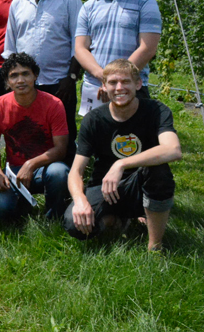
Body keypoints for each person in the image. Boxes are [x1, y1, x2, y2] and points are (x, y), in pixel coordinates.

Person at [64, 59, 181, 251]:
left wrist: (121, 164)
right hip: (105, 188)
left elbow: (173, 149)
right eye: (112, 82)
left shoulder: (156, 110)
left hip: (142, 185)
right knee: (73, 224)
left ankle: (155, 246)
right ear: (104, 86)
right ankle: (116, 219)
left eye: (125, 81)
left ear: (138, 84)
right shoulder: (93, 120)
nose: (119, 88)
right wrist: (80, 201)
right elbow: (76, 171)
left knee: (159, 170)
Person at [3, 0, 82, 159]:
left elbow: (80, 42)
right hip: (27, 84)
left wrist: (71, 77)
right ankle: (32, 178)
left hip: (60, 83)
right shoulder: (18, 3)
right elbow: (11, 47)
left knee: (64, 132)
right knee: (30, 132)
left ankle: (65, 180)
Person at [75, 0, 162, 111]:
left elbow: (147, 48)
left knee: (132, 137)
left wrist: (117, 82)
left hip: (131, 88)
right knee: (97, 136)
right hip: (96, 88)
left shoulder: (146, 2)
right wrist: (104, 78)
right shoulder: (89, 6)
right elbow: (80, 49)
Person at [0, 53, 70, 220]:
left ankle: (54, 217)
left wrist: (31, 164)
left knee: (60, 172)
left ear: (35, 75)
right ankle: (21, 207)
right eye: (14, 76)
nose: (20, 80)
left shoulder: (54, 104)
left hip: (46, 168)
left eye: (25, 73)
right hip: (13, 172)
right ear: (7, 82)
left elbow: (61, 149)